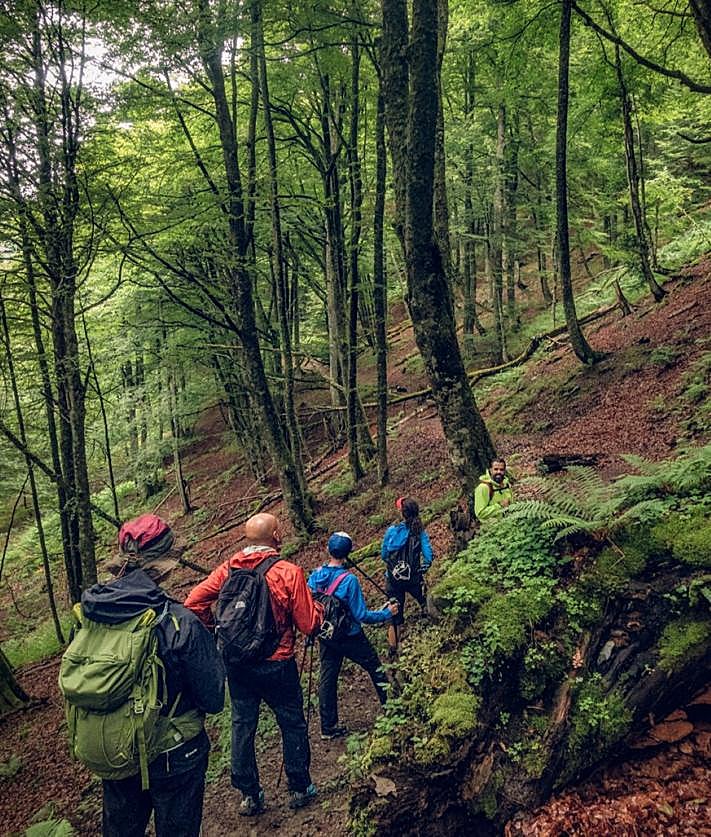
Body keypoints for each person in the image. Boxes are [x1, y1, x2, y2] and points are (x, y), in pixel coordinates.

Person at [76, 514, 225, 837]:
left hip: (116, 751)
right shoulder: (178, 621)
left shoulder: (92, 615)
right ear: (167, 563)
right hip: (175, 754)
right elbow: (213, 698)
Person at [184, 512, 323, 817]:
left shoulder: (228, 569)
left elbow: (193, 602)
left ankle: (250, 794)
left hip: (237, 665)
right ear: (276, 536)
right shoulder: (288, 572)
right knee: (292, 722)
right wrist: (319, 611)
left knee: (242, 724)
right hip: (277, 663)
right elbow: (309, 624)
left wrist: (216, 628)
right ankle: (299, 787)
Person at [307, 531, 398, 740]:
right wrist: (387, 613)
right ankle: (392, 709)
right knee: (375, 667)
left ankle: (328, 727)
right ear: (348, 553)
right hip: (350, 635)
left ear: (328, 550)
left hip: (326, 633)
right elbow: (361, 615)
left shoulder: (315, 575)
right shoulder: (349, 580)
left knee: (328, 676)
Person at [381, 497, 434, 656]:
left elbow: (384, 555)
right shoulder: (419, 531)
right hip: (413, 577)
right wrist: (422, 568)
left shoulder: (392, 531)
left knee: (394, 613)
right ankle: (431, 624)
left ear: (402, 513)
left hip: (393, 579)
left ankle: (393, 650)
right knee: (424, 600)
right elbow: (428, 556)